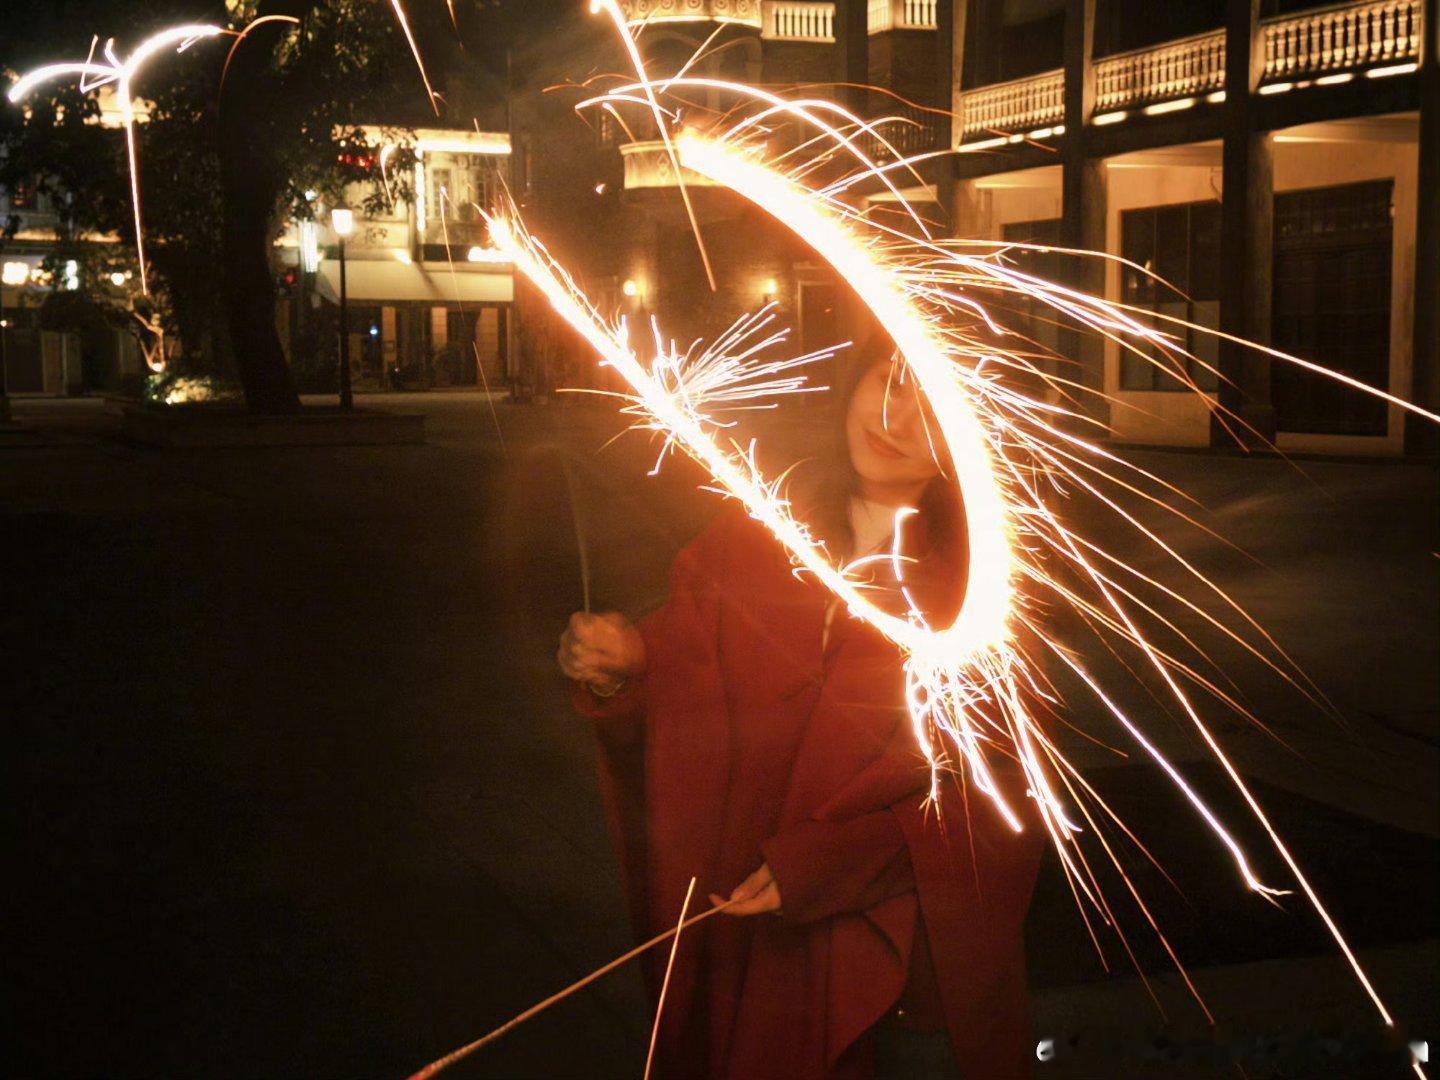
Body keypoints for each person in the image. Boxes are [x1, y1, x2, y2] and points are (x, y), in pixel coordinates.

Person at [558, 351, 1045, 1079]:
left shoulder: (979, 610)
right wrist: (620, 669)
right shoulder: (753, 535)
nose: (895, 418)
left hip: (883, 985)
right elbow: (677, 689)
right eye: (893, 381)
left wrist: (826, 866)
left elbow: (996, 805)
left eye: (938, 414)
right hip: (741, 945)